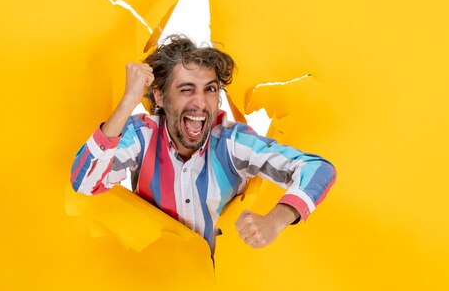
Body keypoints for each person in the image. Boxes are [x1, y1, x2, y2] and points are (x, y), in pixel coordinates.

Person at [70, 35, 336, 255]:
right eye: (187, 89)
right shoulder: (141, 136)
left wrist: (276, 219)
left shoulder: (232, 142)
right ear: (160, 97)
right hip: (154, 278)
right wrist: (128, 101)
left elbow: (318, 169)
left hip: (221, 283)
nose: (200, 102)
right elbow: (85, 182)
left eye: (210, 90)